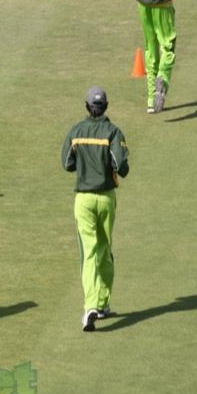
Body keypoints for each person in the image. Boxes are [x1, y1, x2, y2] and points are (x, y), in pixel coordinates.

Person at [61, 87, 130, 332]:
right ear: (106, 107)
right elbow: (121, 165)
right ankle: (102, 303)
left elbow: (67, 163)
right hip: (107, 198)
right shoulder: (113, 132)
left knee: (88, 253)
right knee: (104, 250)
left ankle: (90, 306)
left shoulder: (76, 131)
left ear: (87, 106)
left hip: (84, 200)